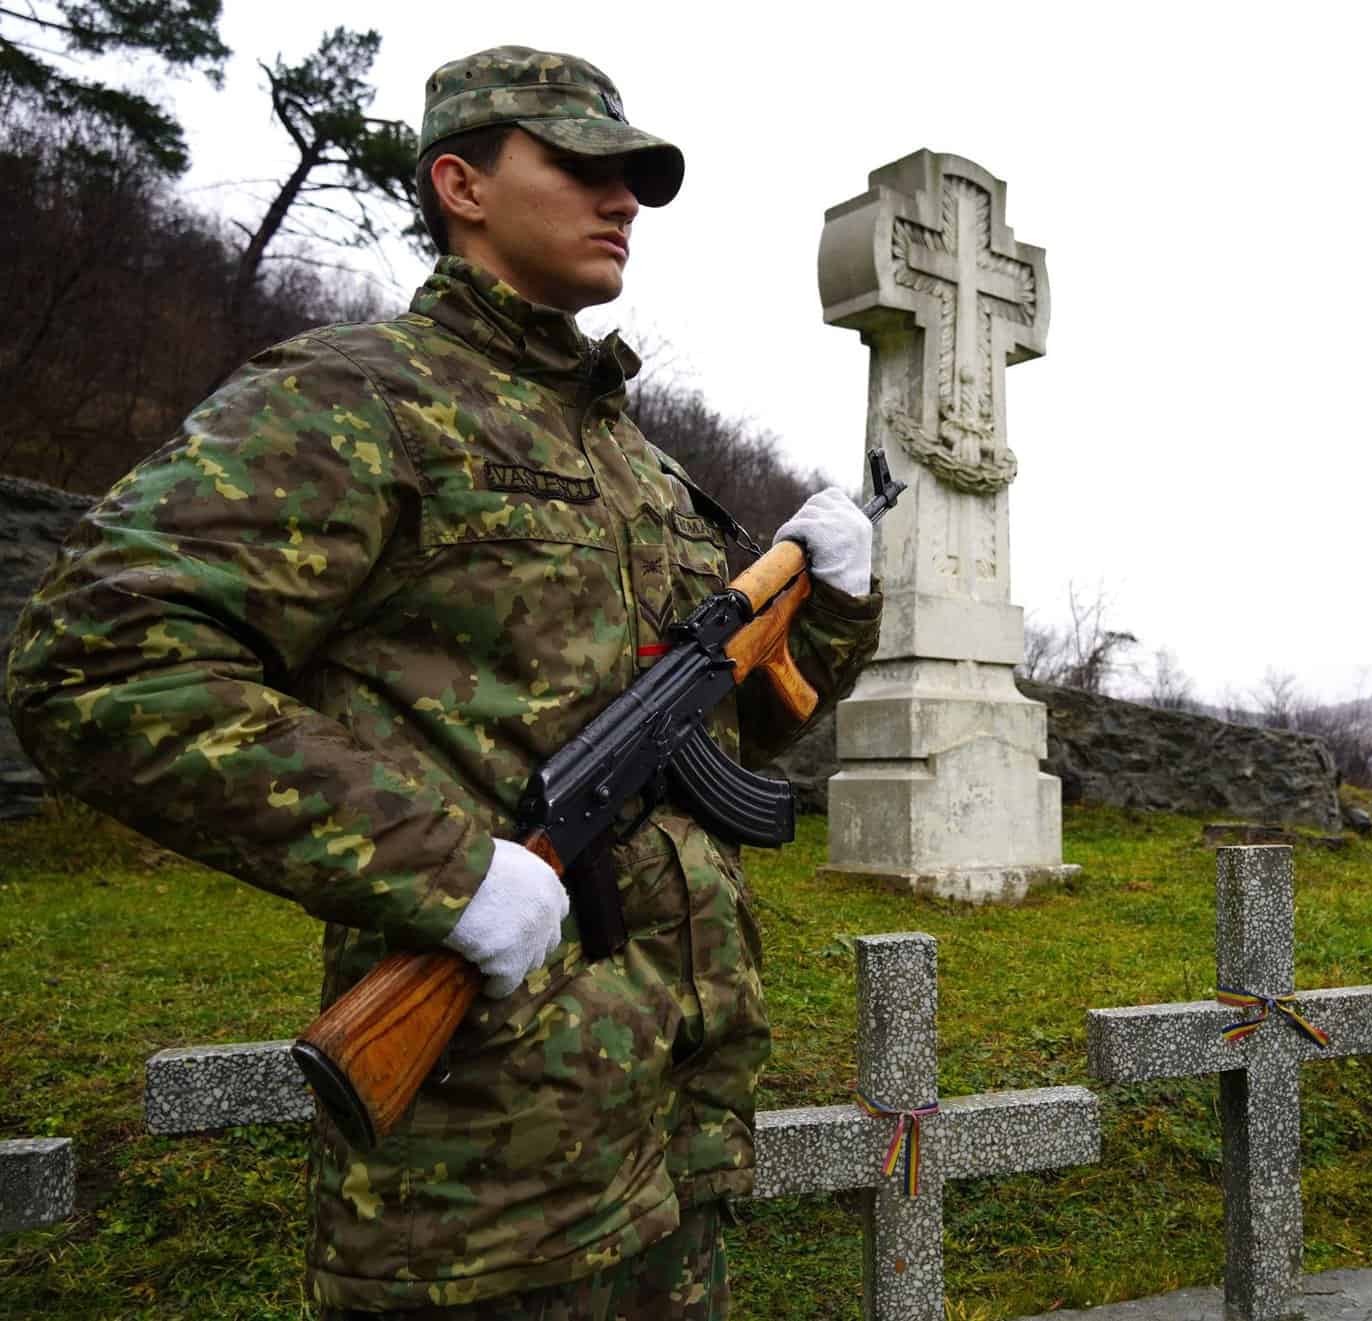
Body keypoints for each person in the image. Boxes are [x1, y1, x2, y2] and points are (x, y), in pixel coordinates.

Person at [5, 46, 881, 1319]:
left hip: (675, 1134)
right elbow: (99, 660)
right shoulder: (358, 399)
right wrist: (446, 871)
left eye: (633, 176)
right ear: (460, 183)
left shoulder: (636, 459)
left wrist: (834, 602)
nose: (623, 198)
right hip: (482, 1183)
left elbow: (736, 741)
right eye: (582, 166)